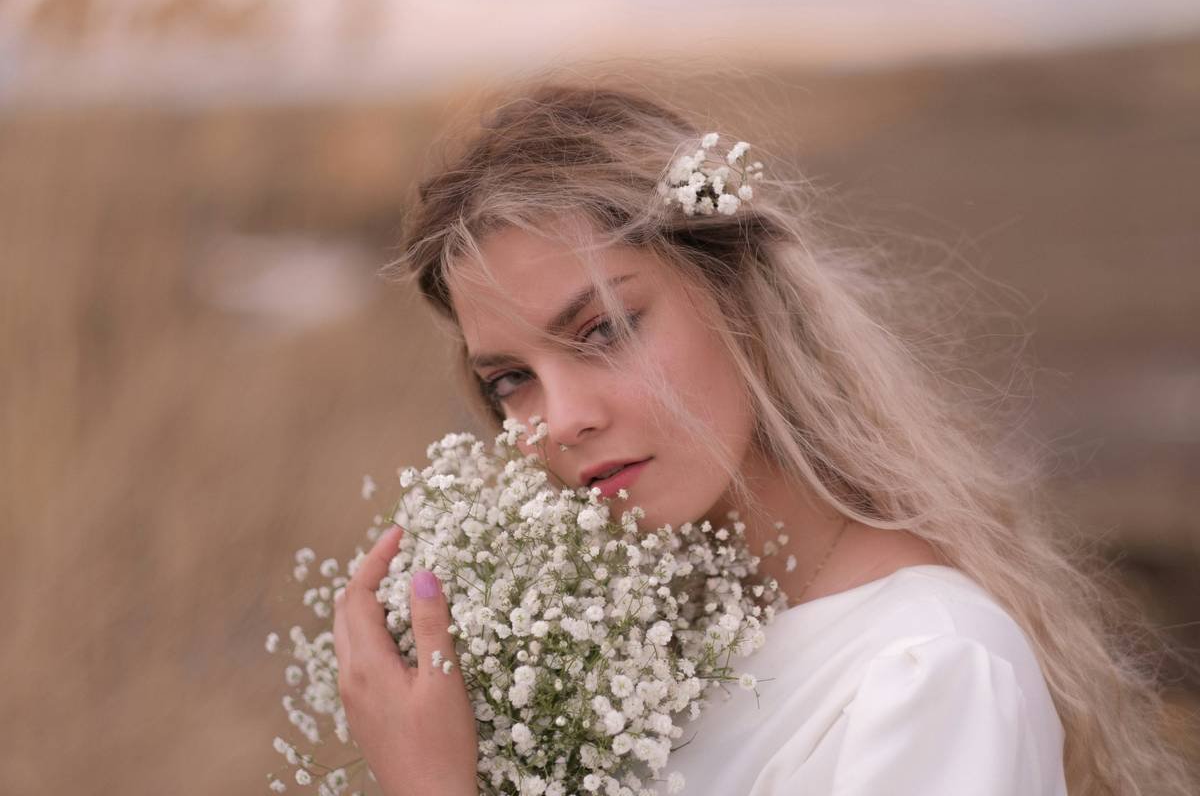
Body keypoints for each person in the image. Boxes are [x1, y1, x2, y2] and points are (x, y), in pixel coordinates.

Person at [331, 78, 1198, 796]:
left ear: (738, 296)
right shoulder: (637, 654)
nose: (558, 420)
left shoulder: (928, 671)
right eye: (510, 380)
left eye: (603, 330)